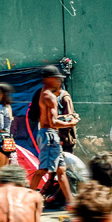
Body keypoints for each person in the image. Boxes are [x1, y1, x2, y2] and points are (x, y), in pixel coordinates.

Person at [28, 66, 79, 205]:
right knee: (43, 169)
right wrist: (71, 122)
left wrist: (67, 120)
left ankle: (71, 203)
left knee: (61, 170)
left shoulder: (43, 93)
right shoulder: (49, 96)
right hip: (49, 135)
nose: (59, 82)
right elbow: (53, 122)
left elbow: (52, 120)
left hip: (49, 135)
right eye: (57, 79)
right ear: (48, 79)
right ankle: (29, 200)